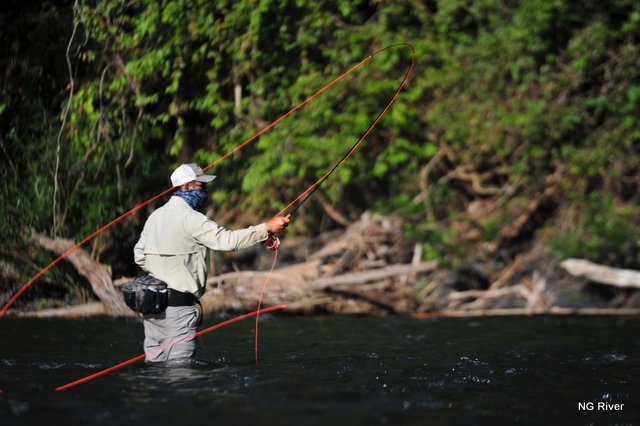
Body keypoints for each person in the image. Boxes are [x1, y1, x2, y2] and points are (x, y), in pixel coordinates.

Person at [133, 163, 290, 365]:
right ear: (187, 187)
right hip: (179, 311)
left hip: (151, 309)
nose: (205, 191)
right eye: (201, 185)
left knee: (155, 367)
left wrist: (166, 270)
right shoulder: (192, 218)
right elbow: (228, 241)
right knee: (180, 373)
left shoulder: (155, 217)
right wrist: (266, 228)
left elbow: (139, 256)